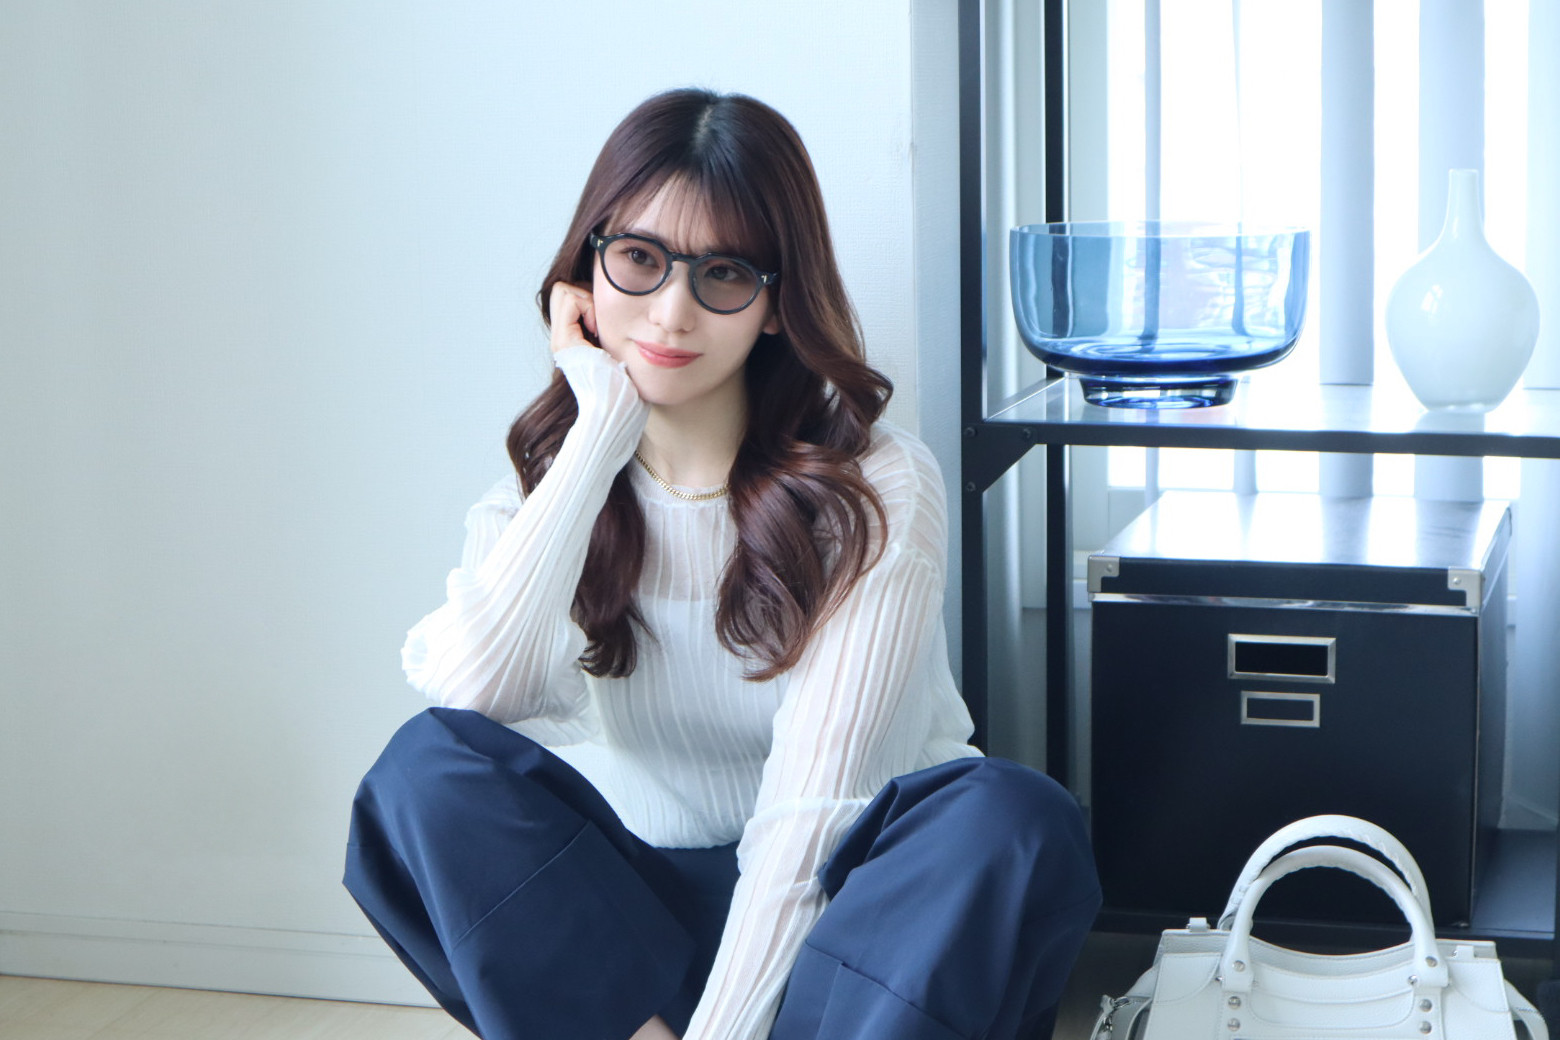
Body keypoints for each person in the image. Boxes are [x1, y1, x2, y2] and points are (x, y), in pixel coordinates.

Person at [344, 87, 1100, 1040]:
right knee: (423, 770)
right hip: (647, 934)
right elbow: (473, 696)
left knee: (1009, 815)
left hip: (864, 925)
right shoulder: (544, 498)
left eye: (725, 274)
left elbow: (814, 807)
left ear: (777, 305)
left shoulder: (876, 485)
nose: (672, 313)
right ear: (586, 269)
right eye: (639, 259)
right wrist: (598, 432)